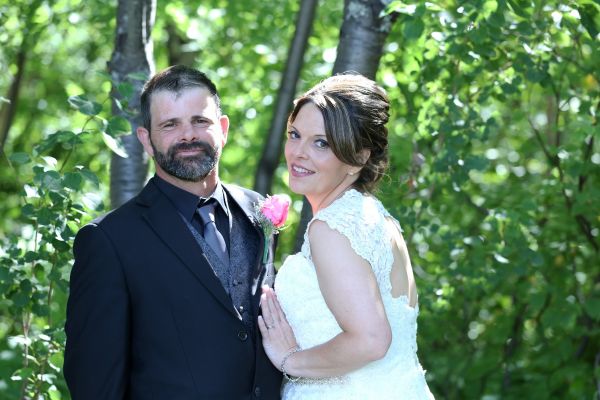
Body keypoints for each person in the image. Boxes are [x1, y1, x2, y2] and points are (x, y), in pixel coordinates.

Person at [64, 65, 282, 399]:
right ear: (146, 140)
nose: (188, 136)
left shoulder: (257, 211)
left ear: (222, 129)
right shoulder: (109, 241)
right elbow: (96, 385)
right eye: (170, 125)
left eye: (200, 121)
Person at [258, 73, 434, 399]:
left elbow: (370, 340)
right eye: (295, 135)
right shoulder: (375, 218)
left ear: (359, 159)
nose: (299, 152)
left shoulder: (333, 228)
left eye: (321, 143)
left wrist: (290, 360)